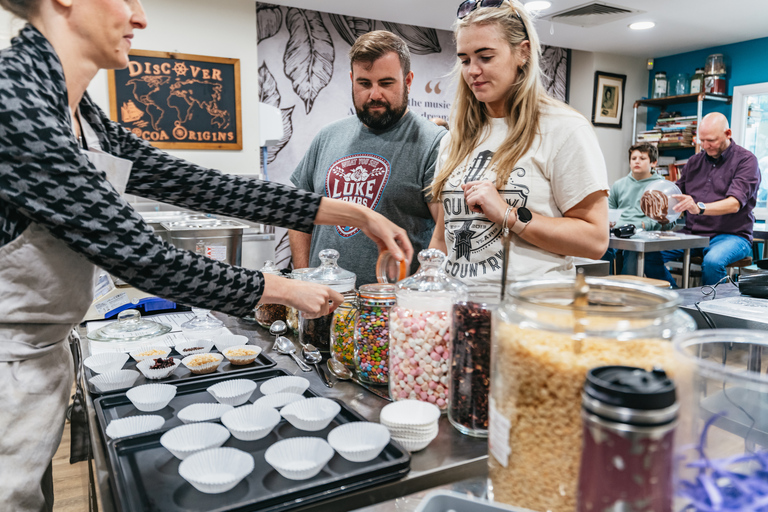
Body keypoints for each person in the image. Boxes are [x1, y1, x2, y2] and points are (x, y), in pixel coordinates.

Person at [0, 2, 413, 510]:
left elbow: (199, 185)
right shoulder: (13, 98)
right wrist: (282, 288)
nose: (140, 17)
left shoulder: (78, 114)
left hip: (34, 365)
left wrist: (352, 213)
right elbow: (141, 255)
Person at [428, 0, 609, 291]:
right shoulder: (455, 138)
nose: (472, 70)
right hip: (462, 312)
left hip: (531, 313)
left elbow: (595, 240)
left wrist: (508, 214)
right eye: (464, 59)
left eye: (485, 57)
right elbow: (442, 236)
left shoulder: (563, 128)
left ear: (522, 53)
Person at [289, 30, 446, 286]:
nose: (374, 94)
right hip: (321, 302)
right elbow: (298, 213)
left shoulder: (434, 142)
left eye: (386, 83)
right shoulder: (327, 137)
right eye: (364, 83)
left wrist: (412, 297)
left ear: (407, 80)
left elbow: (445, 236)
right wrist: (303, 278)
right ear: (352, 80)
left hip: (390, 307)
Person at [644, 112, 761, 287]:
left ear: (728, 134)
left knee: (713, 263)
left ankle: (713, 312)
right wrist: (655, 199)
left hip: (732, 236)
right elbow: (676, 193)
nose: (705, 146)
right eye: (702, 140)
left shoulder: (746, 161)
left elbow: (734, 204)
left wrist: (699, 208)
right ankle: (678, 301)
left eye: (711, 140)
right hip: (693, 233)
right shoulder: (694, 161)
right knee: (649, 254)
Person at [602, 143, 672, 275]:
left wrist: (647, 224)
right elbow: (609, 212)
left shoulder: (662, 186)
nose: (637, 162)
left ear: (653, 163)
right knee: (602, 248)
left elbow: (670, 220)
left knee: (633, 251)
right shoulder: (619, 185)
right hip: (618, 234)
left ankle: (627, 291)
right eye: (633, 158)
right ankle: (605, 288)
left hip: (643, 236)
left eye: (642, 158)